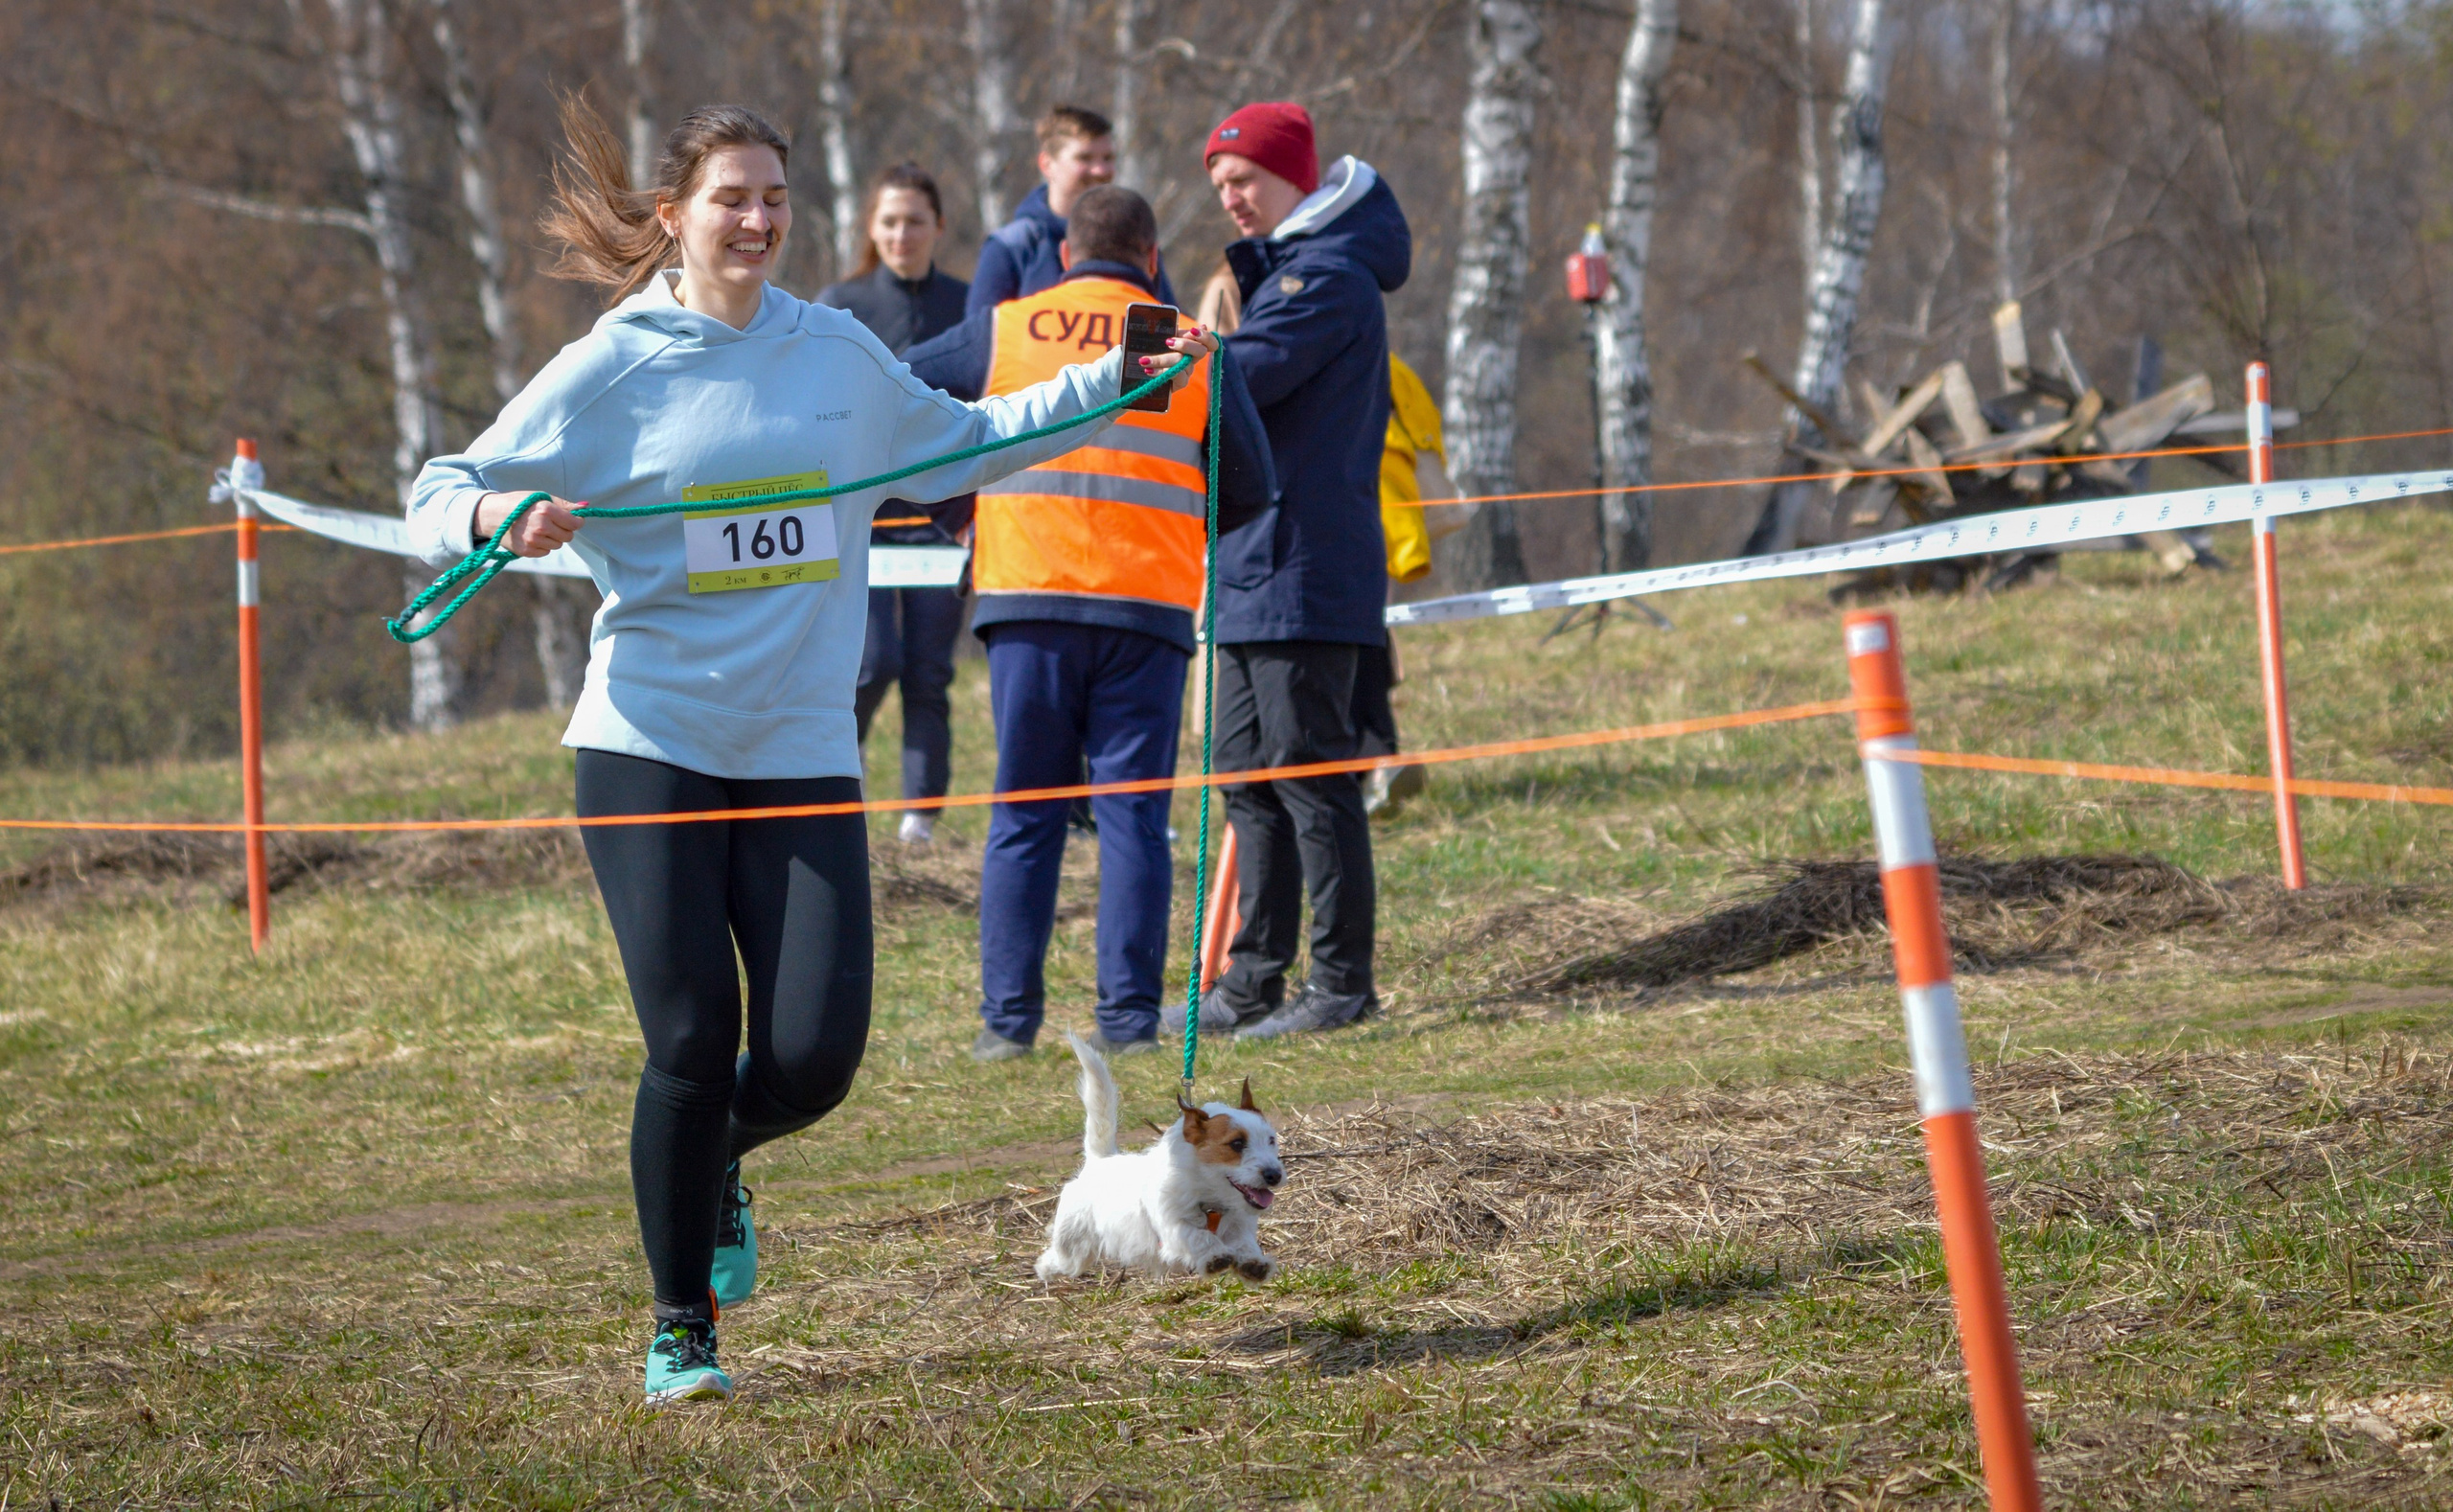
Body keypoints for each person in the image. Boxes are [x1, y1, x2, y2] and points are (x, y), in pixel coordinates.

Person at [406, 98, 1216, 1407]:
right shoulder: (615, 366)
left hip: (798, 749)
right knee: (688, 1034)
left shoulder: (834, 355)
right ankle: (682, 1326)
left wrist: (1119, 384)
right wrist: (500, 510)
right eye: (733, 196)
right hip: (651, 744)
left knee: (811, 1059)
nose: (759, 218)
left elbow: (972, 439)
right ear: (675, 215)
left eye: (775, 196)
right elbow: (437, 486)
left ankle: (705, 1159)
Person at [899, 187, 1273, 1064]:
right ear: (1148, 260)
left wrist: (962, 511)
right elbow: (1251, 484)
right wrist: (1171, 522)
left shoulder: (1006, 327)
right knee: (1132, 819)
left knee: (1025, 812)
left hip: (1026, 599)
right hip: (1146, 607)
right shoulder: (1186, 341)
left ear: (1066, 256)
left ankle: (1007, 1024)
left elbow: (900, 399)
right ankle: (1131, 1023)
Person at [1170, 102, 1410, 1043]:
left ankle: (1342, 984)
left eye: (1245, 180)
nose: (1230, 199)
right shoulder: (1285, 274)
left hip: (1306, 571)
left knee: (1310, 777)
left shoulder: (1328, 277)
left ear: (1296, 178)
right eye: (1220, 185)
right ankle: (1251, 980)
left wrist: (1178, 355)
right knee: (1244, 778)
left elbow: (1250, 373)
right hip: (1247, 567)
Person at [818, 164, 972, 845]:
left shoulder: (972, 304)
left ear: (938, 226)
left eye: (915, 220)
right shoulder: (838, 303)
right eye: (889, 222)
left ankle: (921, 823)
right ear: (870, 231)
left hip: (946, 519)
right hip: (866, 522)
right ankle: (832, 786)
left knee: (929, 672)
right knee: (873, 659)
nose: (902, 234)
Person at [1357, 353, 1455, 816]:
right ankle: (1379, 760)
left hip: (1344, 517)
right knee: (1366, 637)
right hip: (1369, 514)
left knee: (1354, 646)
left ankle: (1372, 765)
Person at [966, 105, 1177, 315]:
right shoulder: (1012, 247)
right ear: (1047, 164)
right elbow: (982, 337)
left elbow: (1167, 320)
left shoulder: (1136, 240)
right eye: (1084, 158)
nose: (1100, 171)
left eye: (1108, 158)